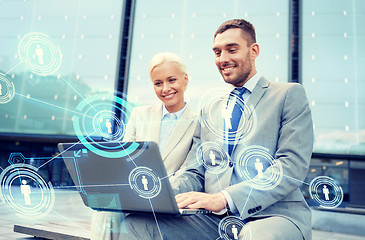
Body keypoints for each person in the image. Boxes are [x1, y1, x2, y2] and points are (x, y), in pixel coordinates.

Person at [120, 19, 314, 240]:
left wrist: (225, 198)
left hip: (273, 216)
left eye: (232, 50)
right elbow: (194, 171)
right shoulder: (210, 108)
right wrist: (153, 192)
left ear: (254, 51)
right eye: (217, 52)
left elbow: (291, 167)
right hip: (215, 219)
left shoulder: (288, 95)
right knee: (137, 224)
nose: (223, 59)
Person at [90, 52, 197, 240]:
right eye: (158, 83)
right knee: (107, 208)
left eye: (172, 80)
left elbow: (190, 172)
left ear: (185, 80)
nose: (165, 89)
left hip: (169, 199)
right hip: (133, 193)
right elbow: (123, 162)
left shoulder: (198, 123)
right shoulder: (140, 115)